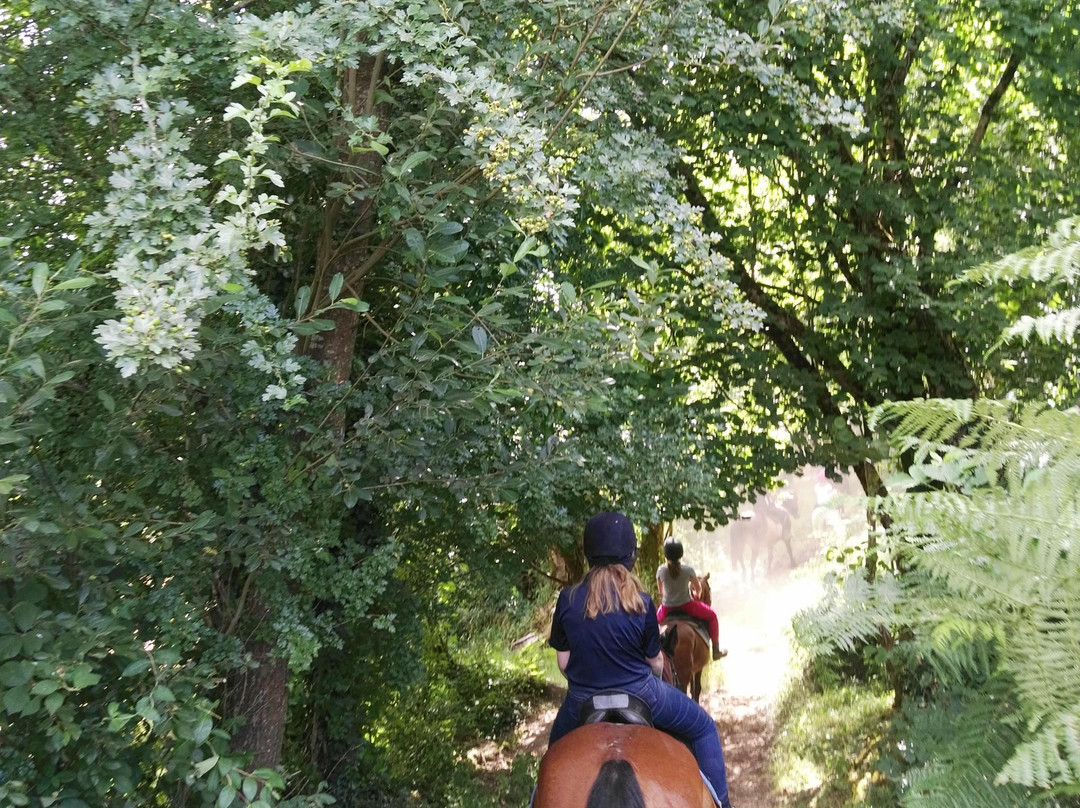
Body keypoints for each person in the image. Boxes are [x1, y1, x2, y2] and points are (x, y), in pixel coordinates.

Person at [547, 511, 732, 808]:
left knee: (553, 759)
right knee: (704, 728)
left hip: (583, 697)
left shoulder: (567, 599)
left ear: (589, 553)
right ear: (629, 554)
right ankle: (722, 803)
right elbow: (655, 662)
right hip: (641, 693)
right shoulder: (640, 601)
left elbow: (563, 663)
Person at [656, 539, 727, 661]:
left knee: (652, 624)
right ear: (681, 553)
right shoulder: (688, 570)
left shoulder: (661, 570)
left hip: (667, 608)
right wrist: (696, 595)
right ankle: (716, 651)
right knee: (712, 616)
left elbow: (661, 592)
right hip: (687, 605)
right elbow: (698, 590)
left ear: (665, 554)